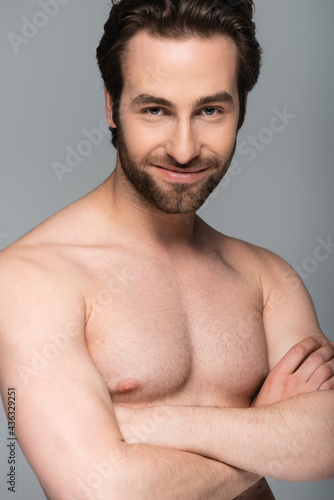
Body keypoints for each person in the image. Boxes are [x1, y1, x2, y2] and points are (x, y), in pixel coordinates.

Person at [0, 1, 333, 499]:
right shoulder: (26, 280)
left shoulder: (268, 278)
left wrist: (145, 423)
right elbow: (98, 492)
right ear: (112, 106)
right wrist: (265, 430)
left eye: (210, 110)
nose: (183, 148)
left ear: (243, 109)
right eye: (155, 109)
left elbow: (326, 441)